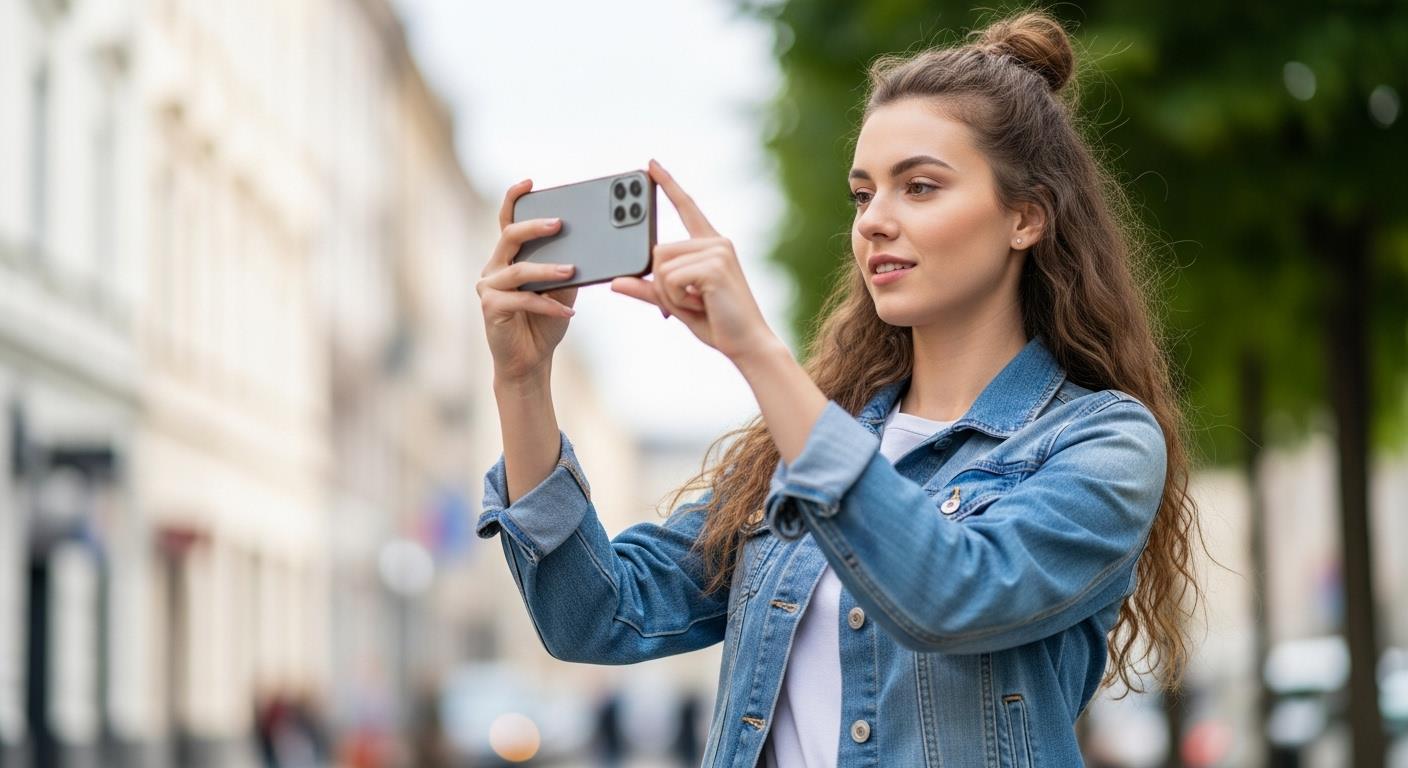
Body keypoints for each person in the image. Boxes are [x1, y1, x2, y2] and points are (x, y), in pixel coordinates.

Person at [473, 10, 1201, 767]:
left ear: (1026, 218)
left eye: (919, 187)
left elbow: (952, 593)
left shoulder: (1101, 441)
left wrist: (757, 352)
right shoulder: (809, 442)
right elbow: (598, 616)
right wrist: (522, 381)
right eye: (863, 195)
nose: (875, 221)